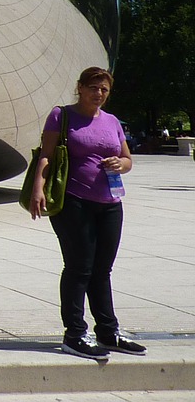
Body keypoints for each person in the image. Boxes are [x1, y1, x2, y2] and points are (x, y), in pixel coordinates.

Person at [29, 66, 146, 360]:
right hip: (73, 201)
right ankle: (75, 334)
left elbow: (127, 158)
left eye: (104, 89)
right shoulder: (62, 115)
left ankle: (108, 331)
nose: (99, 94)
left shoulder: (112, 121)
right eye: (94, 88)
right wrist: (37, 189)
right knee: (79, 266)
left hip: (109, 202)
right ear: (80, 87)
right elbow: (47, 154)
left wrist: (122, 165)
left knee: (102, 269)